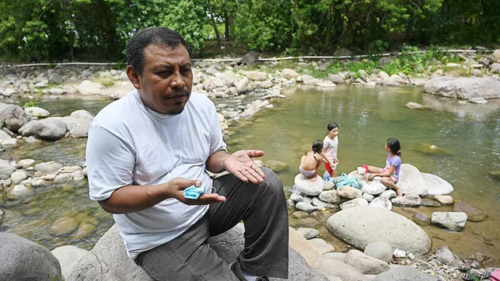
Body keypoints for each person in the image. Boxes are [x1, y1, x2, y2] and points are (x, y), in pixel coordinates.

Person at [86, 27, 288, 281]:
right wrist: (166, 191)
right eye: (164, 72)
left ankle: (252, 271)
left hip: (208, 205)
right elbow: (109, 199)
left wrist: (226, 159)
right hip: (160, 236)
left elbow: (212, 155)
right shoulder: (112, 126)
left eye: (185, 70)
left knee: (265, 181)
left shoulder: (202, 105)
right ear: (135, 77)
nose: (179, 82)